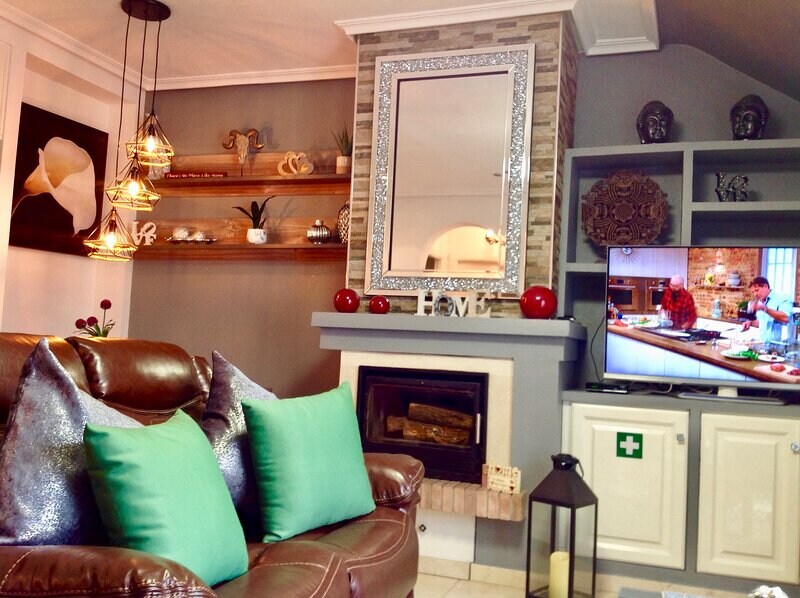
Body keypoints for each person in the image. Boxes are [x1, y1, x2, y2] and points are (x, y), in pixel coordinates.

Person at [741, 276, 792, 342]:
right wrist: (751, 323)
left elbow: (786, 318)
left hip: (780, 345)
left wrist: (764, 309)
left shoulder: (782, 298)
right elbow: (763, 322)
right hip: (763, 344)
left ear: (765, 286)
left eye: (757, 290)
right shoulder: (760, 302)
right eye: (753, 292)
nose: (755, 294)